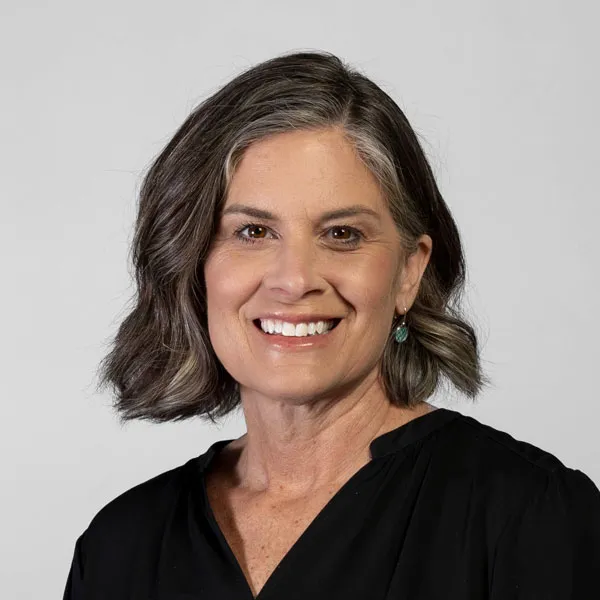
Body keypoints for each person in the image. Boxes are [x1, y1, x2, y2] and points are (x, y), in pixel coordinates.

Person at [63, 50, 600, 599]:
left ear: (409, 271)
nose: (295, 280)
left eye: (342, 234)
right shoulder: (122, 545)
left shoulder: (530, 514)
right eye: (252, 232)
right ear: (193, 265)